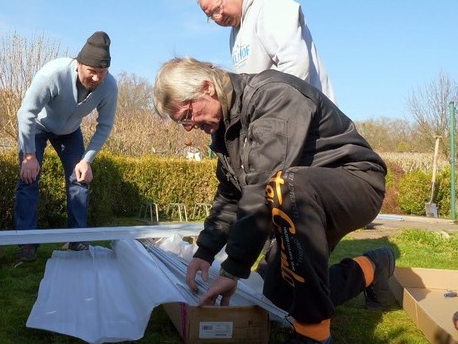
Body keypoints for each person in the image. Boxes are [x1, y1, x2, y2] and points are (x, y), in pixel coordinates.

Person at [152, 57, 395, 344]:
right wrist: (204, 252)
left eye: (188, 115)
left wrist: (233, 269)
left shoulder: (273, 95)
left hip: (356, 182)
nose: (189, 127)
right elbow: (230, 196)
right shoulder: (226, 132)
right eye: (182, 122)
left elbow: (261, 187)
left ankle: (313, 333)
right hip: (301, 195)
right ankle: (373, 267)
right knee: (279, 297)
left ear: (206, 87)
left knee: (285, 183)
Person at [14, 31, 118, 261]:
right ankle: (27, 243)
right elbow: (26, 113)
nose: (97, 78)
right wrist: (28, 155)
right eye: (92, 71)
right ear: (79, 64)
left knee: (79, 180)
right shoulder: (53, 74)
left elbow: (105, 125)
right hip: (38, 126)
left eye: (102, 72)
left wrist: (86, 160)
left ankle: (76, 239)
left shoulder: (109, 86)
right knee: (28, 179)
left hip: (70, 132)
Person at [196, 0, 336, 103]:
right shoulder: (235, 32)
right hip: (274, 119)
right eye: (211, 16)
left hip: (307, 116)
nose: (218, 17)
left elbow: (295, 63)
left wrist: (276, 112)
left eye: (217, 8)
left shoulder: (270, 5)